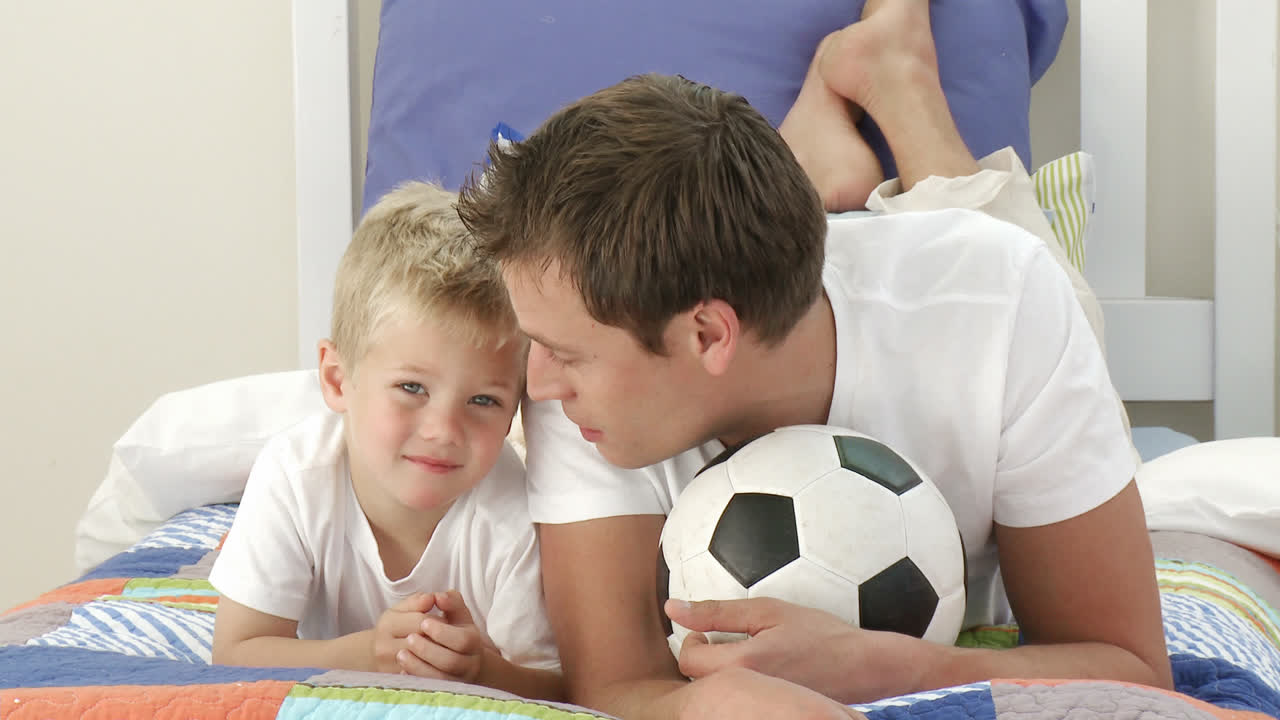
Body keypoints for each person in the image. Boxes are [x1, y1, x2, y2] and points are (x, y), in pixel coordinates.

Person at [454, 3, 1168, 719]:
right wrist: (719, 704)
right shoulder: (573, 395)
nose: (535, 384)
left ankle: (895, 70)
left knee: (1007, 241)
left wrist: (890, 670)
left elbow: (1132, 672)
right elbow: (615, 689)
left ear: (705, 335)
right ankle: (812, 158)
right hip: (776, 298)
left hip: (941, 281)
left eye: (564, 354)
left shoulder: (1005, 304)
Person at [208, 181, 562, 701]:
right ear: (336, 380)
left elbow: (564, 688)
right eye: (411, 388)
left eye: (483, 401)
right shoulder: (295, 476)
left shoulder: (514, 516)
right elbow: (235, 652)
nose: (443, 430)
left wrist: (484, 671)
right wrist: (367, 653)